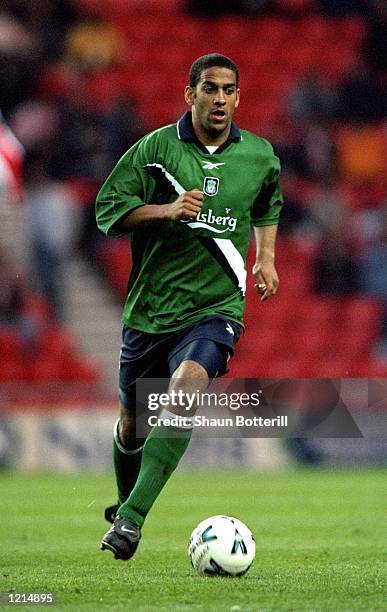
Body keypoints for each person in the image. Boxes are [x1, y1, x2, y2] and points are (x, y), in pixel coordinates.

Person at [95, 53, 283, 561]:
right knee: (133, 422)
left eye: (228, 90)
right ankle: (125, 501)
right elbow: (108, 211)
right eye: (210, 89)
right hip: (151, 311)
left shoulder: (261, 156)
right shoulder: (155, 150)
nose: (219, 99)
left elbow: (268, 203)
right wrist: (166, 210)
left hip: (216, 307)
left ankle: (130, 522)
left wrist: (264, 258)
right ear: (190, 94)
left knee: (185, 389)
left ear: (238, 97)